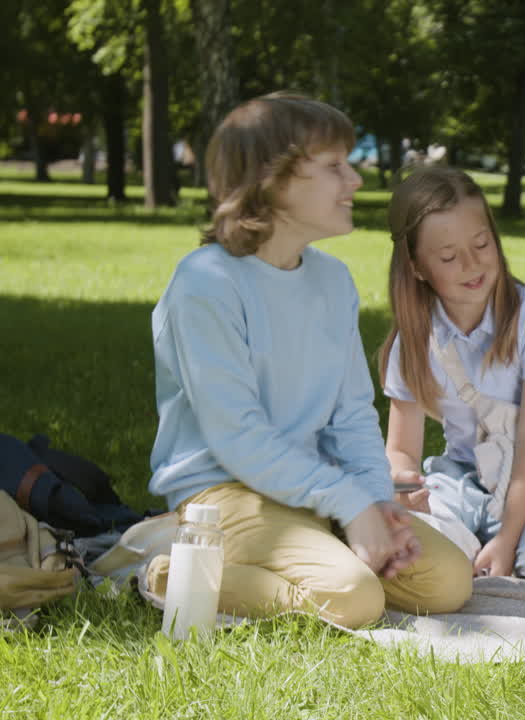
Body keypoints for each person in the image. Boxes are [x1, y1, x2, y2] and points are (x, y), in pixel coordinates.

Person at [147, 93, 473, 630]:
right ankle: (171, 571)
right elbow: (238, 437)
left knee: (448, 581)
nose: (355, 181)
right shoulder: (205, 284)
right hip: (225, 491)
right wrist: (349, 504)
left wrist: (375, 502)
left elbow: (350, 412)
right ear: (272, 182)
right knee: (353, 598)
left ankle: (320, 549)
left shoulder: (332, 280)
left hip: (314, 486)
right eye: (333, 167)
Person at [379, 166, 525, 580]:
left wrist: (509, 537)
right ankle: (464, 542)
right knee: (419, 540)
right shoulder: (413, 337)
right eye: (448, 256)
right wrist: (403, 481)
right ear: (416, 268)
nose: (470, 264)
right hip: (461, 478)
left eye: (482, 244)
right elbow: (401, 449)